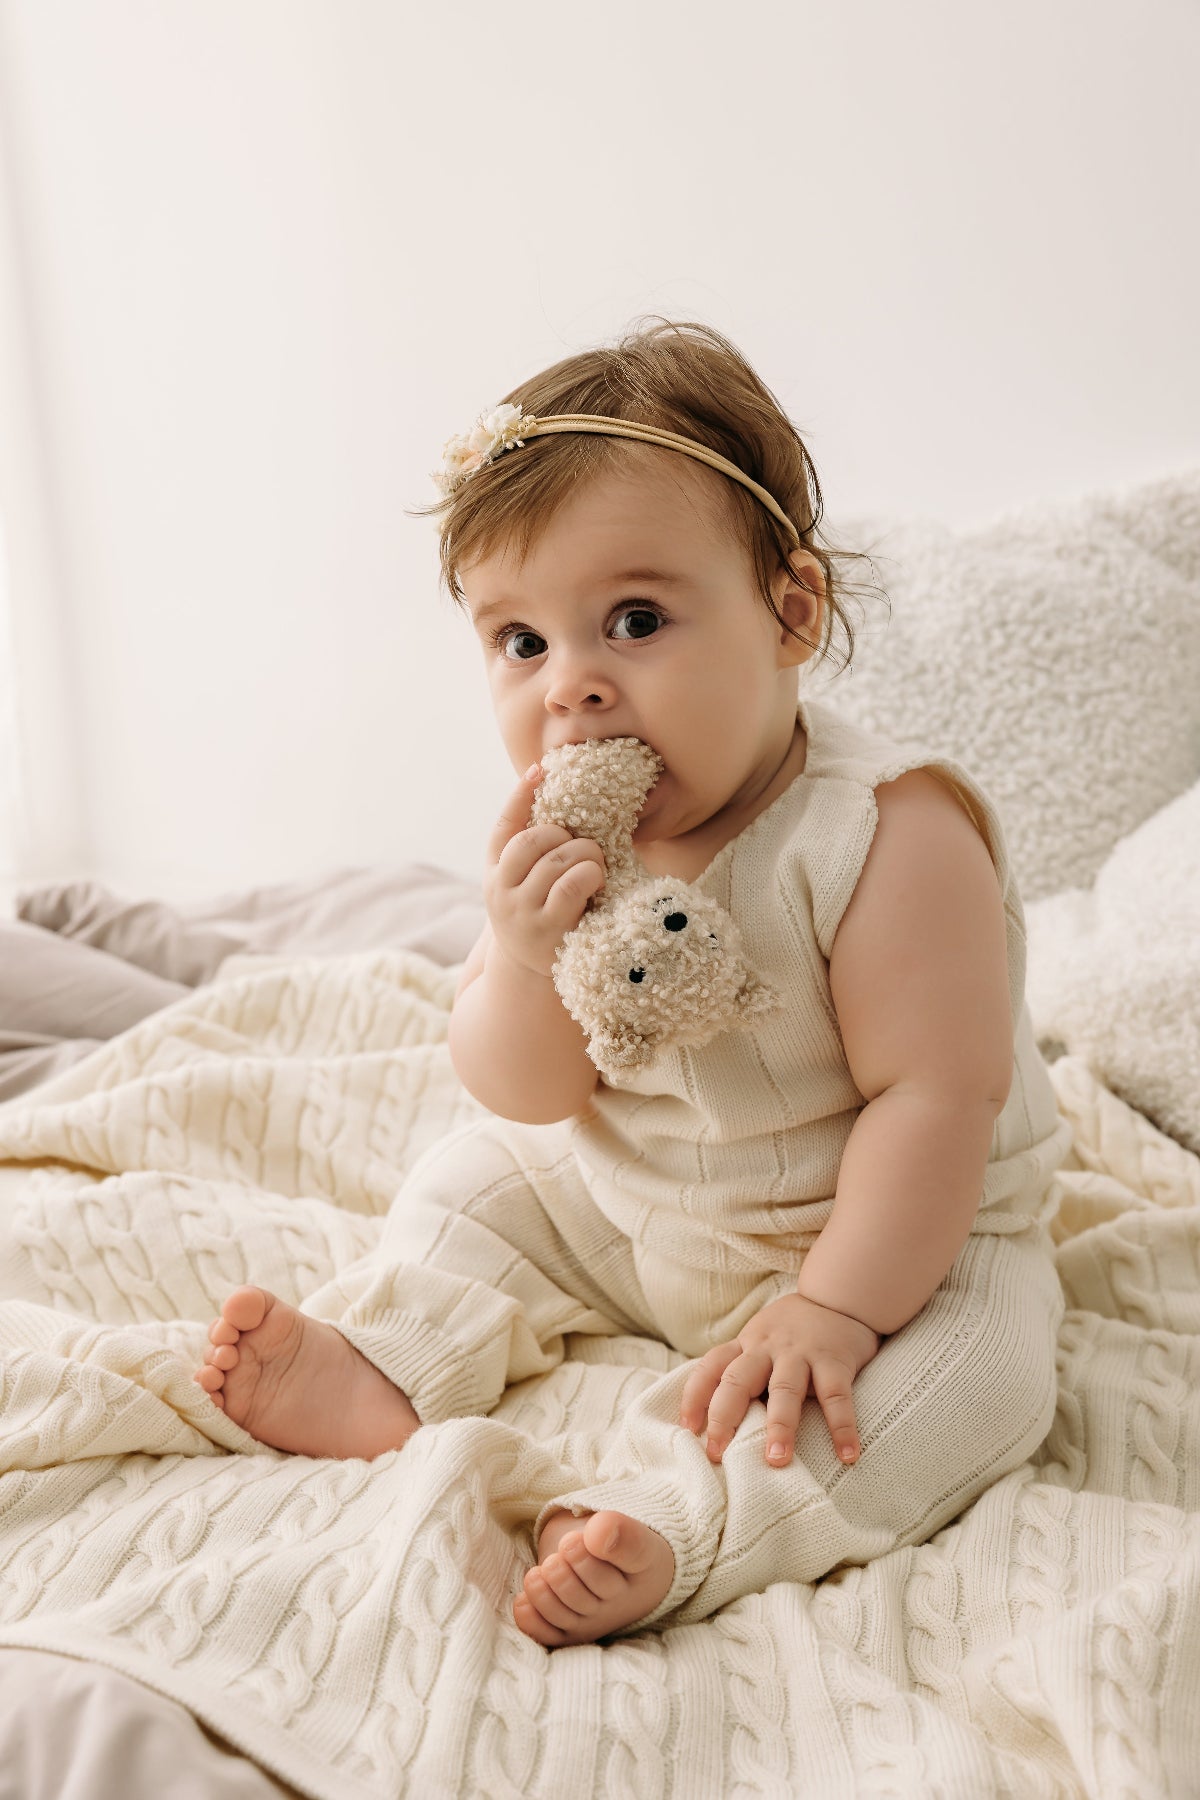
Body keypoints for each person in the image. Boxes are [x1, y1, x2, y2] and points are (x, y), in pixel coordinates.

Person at [193, 317, 1072, 1648]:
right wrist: (528, 956)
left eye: (634, 621)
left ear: (792, 613)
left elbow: (933, 1102)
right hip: (641, 1208)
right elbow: (527, 1090)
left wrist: (834, 1304)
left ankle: (682, 1520)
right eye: (520, 643)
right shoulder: (569, 846)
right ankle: (385, 1357)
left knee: (981, 1385)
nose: (575, 692)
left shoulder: (885, 836)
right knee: (475, 1183)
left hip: (903, 1240)